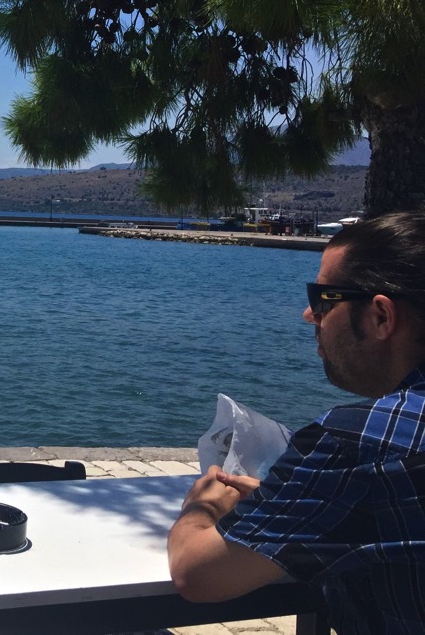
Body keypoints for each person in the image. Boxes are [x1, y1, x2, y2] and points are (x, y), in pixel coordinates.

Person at [167, 211, 425, 634]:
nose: (310, 315)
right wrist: (296, 496)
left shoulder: (359, 441)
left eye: (324, 299)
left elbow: (198, 574)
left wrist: (201, 508)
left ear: (381, 316)